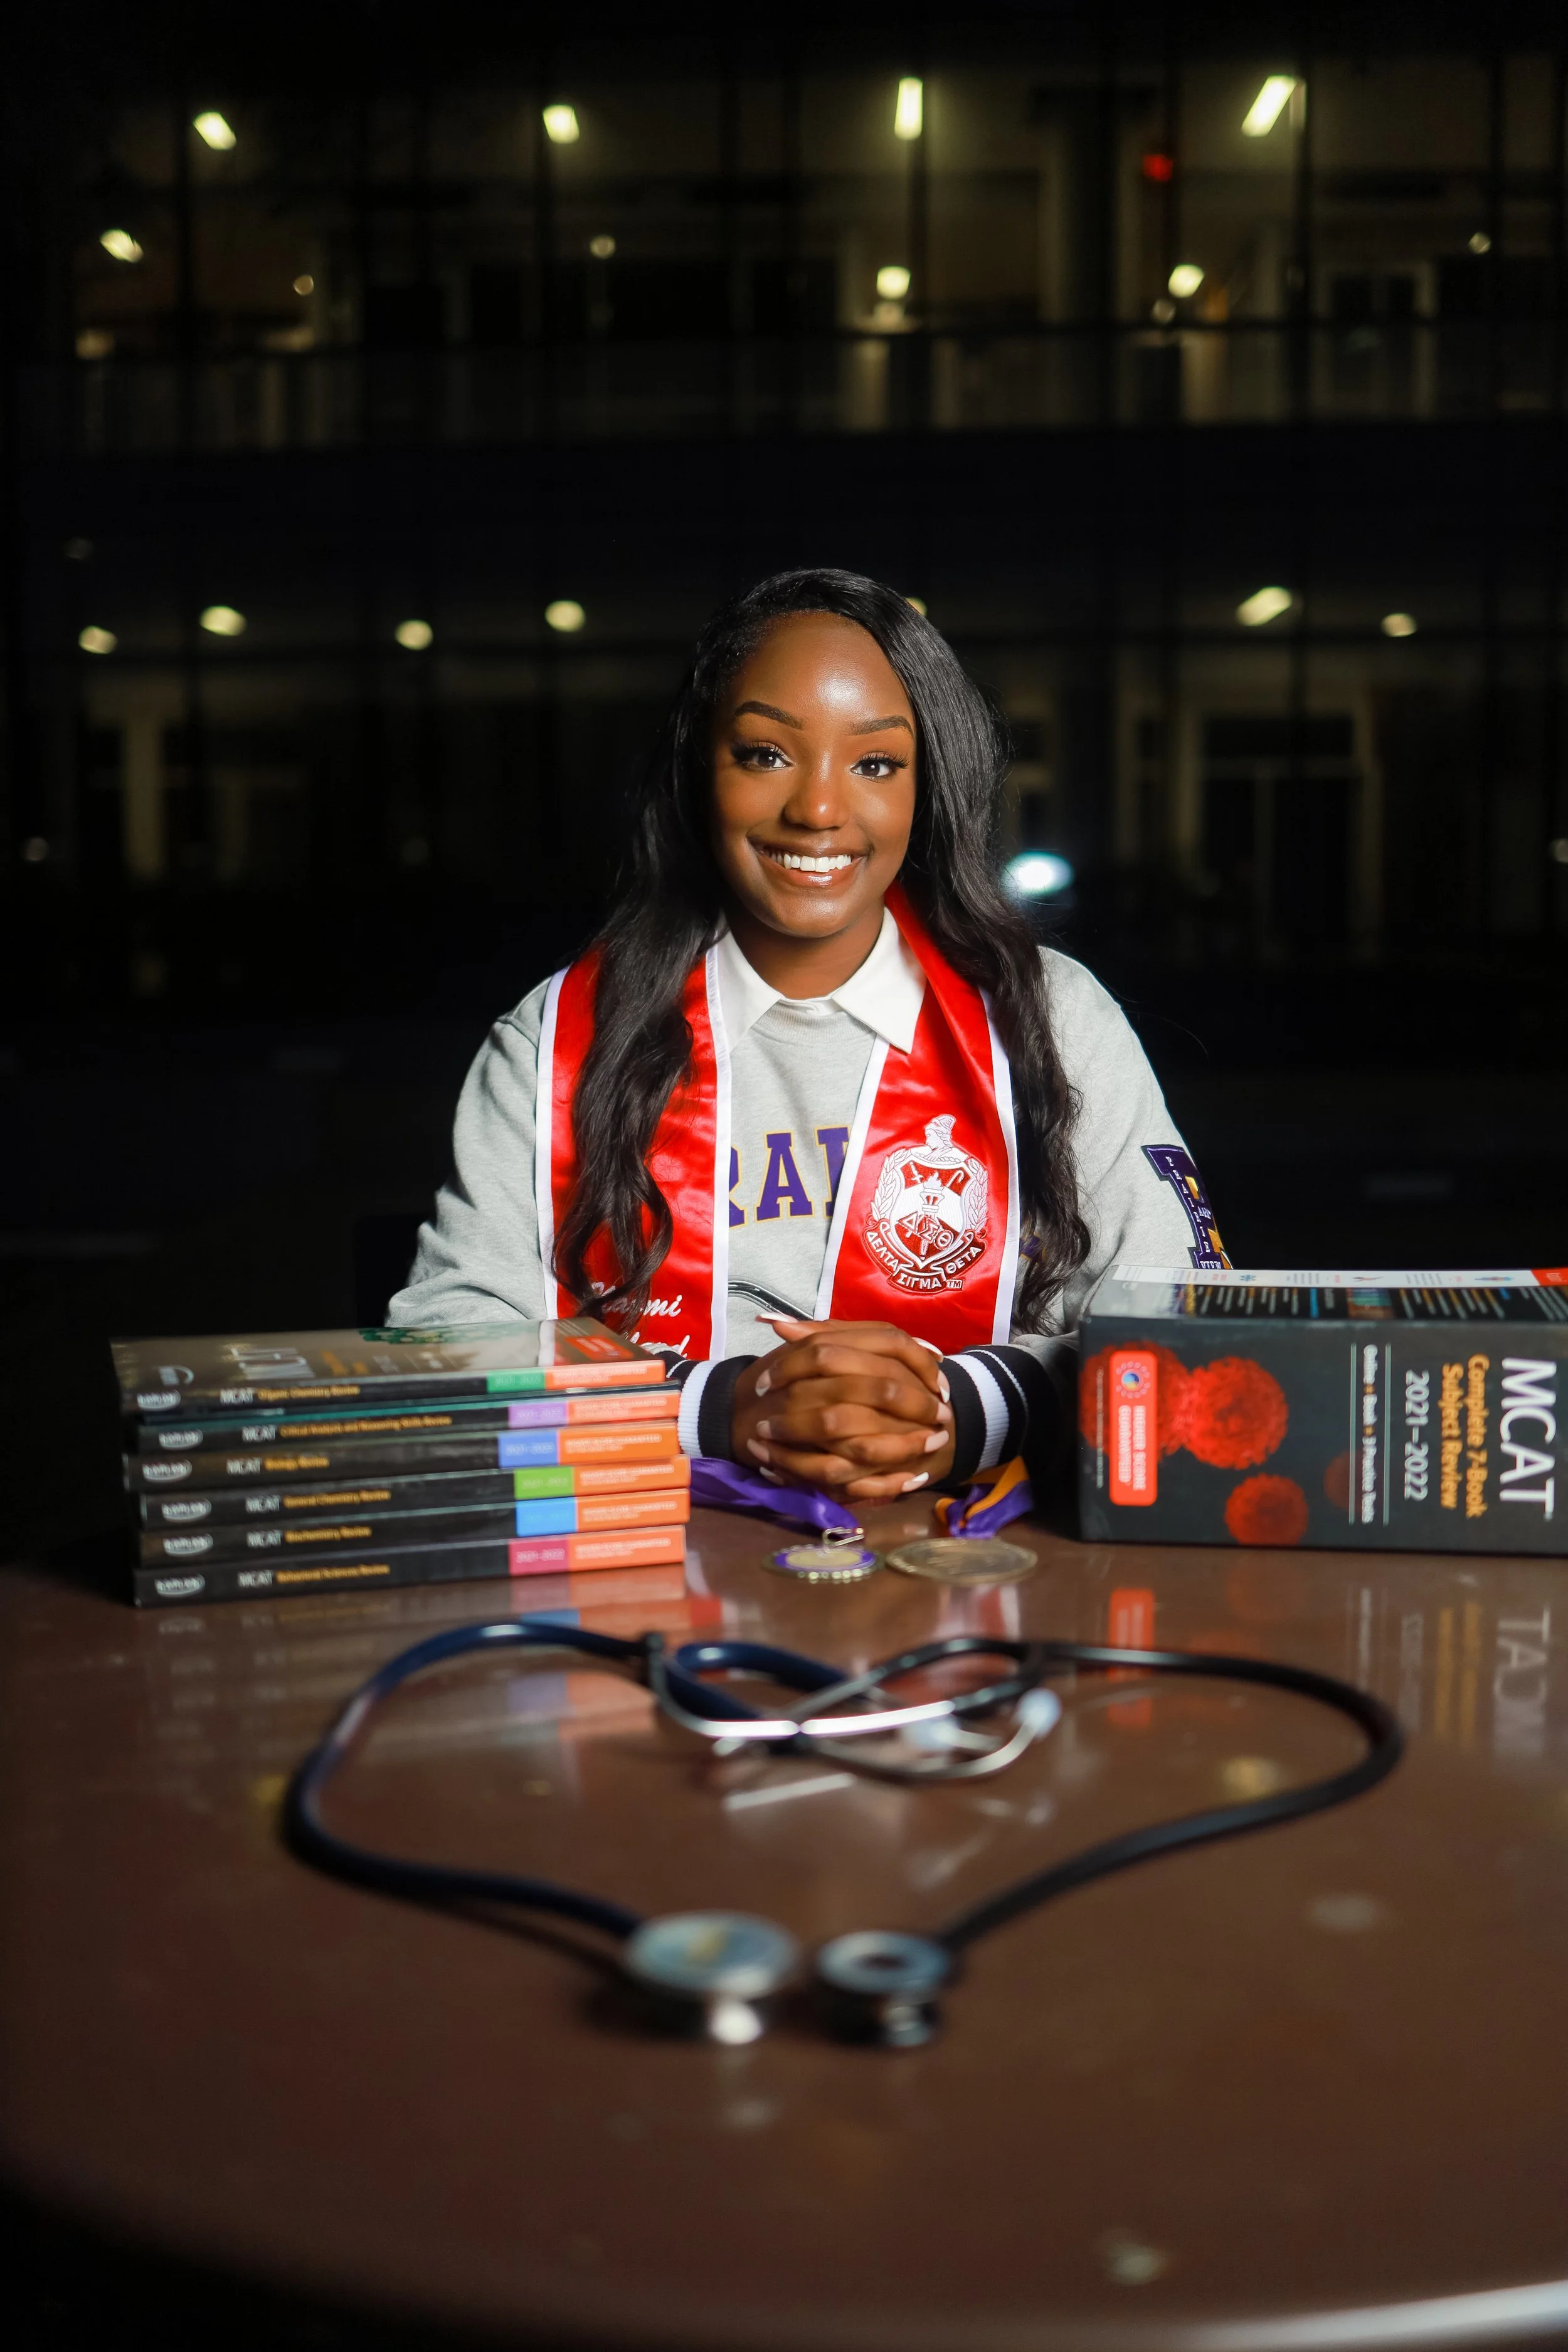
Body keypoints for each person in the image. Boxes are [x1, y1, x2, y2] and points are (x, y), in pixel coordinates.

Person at [389, 568, 1224, 1503]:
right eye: (764, 754)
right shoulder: (561, 1038)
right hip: (655, 1568)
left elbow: (1182, 1324)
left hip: (978, 1574)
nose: (819, 810)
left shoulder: (1049, 1016)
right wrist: (722, 1408)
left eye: (874, 764)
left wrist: (959, 1406)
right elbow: (443, 1344)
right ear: (698, 769)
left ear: (928, 785)